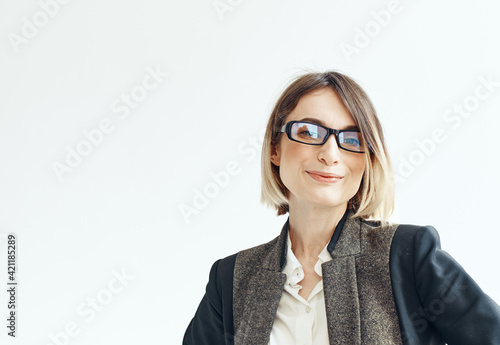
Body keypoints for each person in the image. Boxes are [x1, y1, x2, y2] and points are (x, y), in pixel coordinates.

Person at [182, 71, 500, 344]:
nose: (331, 154)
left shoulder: (408, 256)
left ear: (367, 160)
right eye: (309, 132)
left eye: (352, 139)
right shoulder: (232, 278)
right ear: (275, 149)